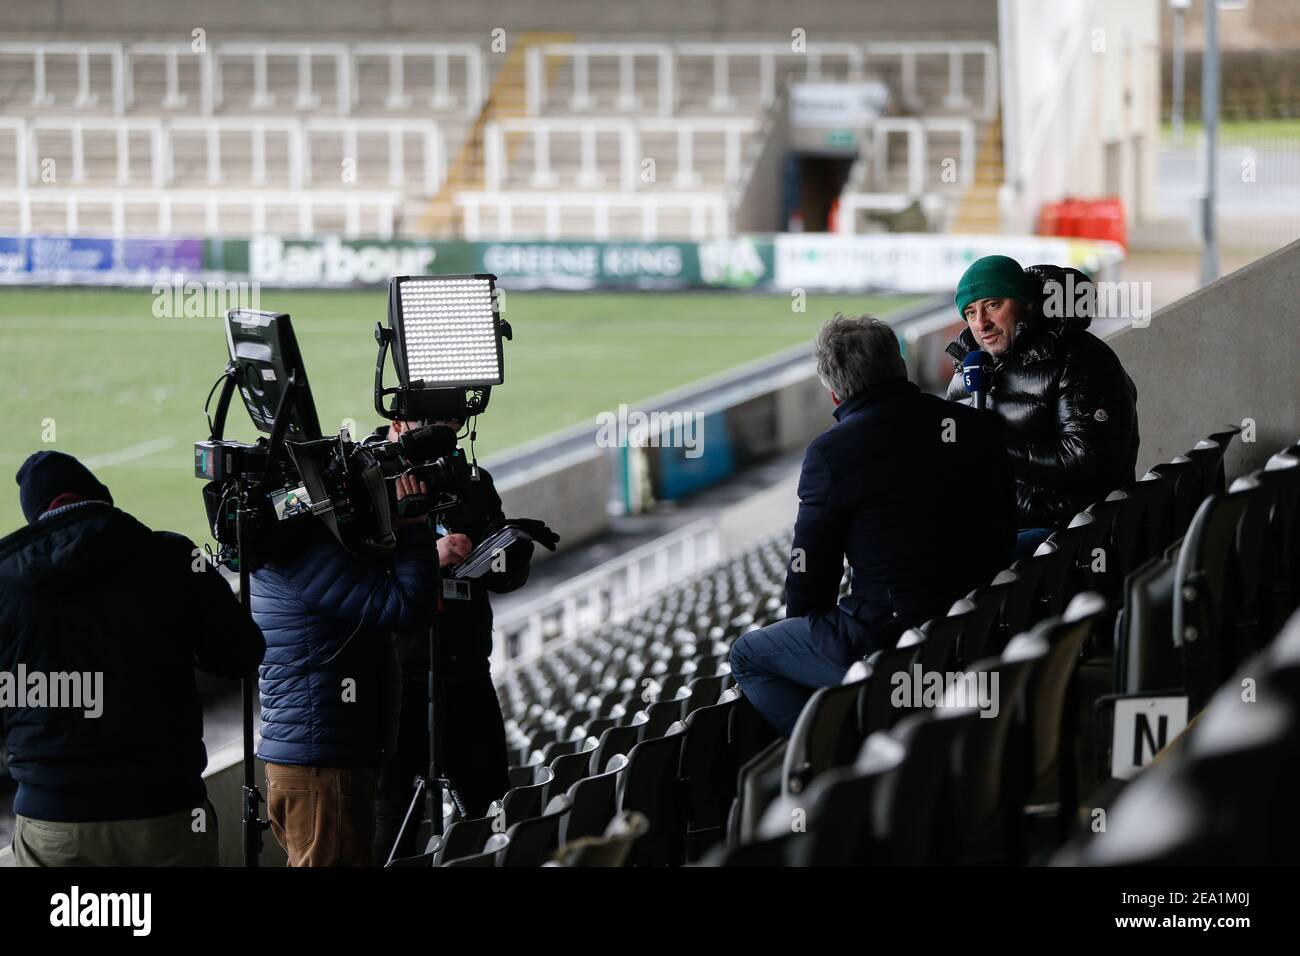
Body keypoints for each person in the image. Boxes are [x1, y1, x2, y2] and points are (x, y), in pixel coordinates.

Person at [728, 315, 1016, 737]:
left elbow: (811, 575)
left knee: (746, 655)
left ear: (833, 391)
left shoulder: (831, 454)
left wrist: (812, 632)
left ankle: (828, 756)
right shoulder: (968, 424)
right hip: (978, 618)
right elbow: (1004, 524)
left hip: (892, 638)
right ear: (898, 367)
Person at [0, 451, 264, 866]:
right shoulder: (173, 557)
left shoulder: (7, 584)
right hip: (167, 811)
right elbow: (241, 654)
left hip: (53, 817)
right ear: (102, 498)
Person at [251, 469, 438, 866]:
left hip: (315, 761)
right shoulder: (307, 556)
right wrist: (413, 529)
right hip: (322, 767)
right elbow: (408, 608)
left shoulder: (287, 550)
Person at [373, 418, 534, 864]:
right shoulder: (366, 473)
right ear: (400, 418)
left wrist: (507, 554)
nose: (447, 432)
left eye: (453, 422)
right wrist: (428, 557)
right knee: (389, 815)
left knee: (491, 809)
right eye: (436, 422)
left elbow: (501, 571)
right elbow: (355, 576)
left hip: (466, 666)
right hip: (397, 677)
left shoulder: (471, 480)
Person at [945, 255, 1140, 557]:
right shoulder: (967, 373)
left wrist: (992, 444)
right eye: (970, 312)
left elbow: (1087, 464)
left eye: (993, 305)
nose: (980, 323)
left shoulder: (1080, 360)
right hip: (990, 524)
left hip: (1067, 533)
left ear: (1028, 304)